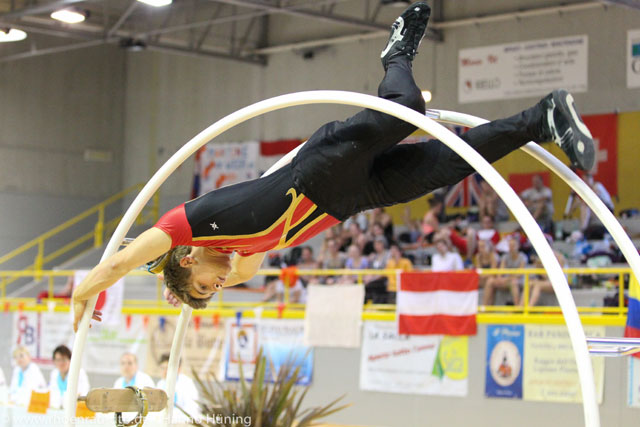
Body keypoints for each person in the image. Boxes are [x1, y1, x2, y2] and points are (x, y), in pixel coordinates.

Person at [72, 2, 595, 325]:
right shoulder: (242, 258)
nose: (222, 280)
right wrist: (173, 283)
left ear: (188, 258)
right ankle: (540, 119)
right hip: (352, 199)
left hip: (320, 170)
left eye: (208, 282)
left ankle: (396, 57)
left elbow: (117, 264)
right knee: (450, 163)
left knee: (407, 110)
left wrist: (86, 296)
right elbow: (205, 274)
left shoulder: (191, 222)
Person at [483, 238, 528, 306]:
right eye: (510, 245)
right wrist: (499, 278)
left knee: (514, 282)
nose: (511, 247)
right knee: (490, 281)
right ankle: (485, 307)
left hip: (518, 281)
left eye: (513, 245)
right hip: (506, 281)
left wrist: (506, 279)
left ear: (518, 246)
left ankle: (517, 309)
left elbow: (519, 274)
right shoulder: (505, 256)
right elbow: (501, 270)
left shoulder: (523, 257)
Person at [156, 354, 199, 423]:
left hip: (182, 422)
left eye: (167, 368)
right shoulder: (160, 384)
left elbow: (192, 409)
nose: (164, 372)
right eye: (162, 368)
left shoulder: (187, 383)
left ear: (178, 369)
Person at [48, 345, 90, 409]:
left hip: (75, 410)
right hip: (57, 409)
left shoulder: (79, 373)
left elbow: (83, 394)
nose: (61, 363)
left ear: (70, 360)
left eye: (64, 360)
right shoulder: (54, 374)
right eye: (58, 360)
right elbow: (51, 395)